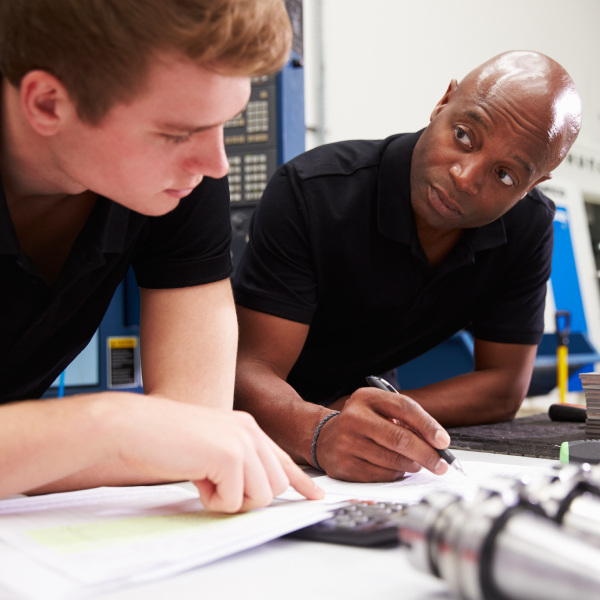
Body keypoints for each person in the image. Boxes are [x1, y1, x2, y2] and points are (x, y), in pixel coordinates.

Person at [0, 0, 324, 511]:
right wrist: (108, 425)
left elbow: (195, 422)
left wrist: (40, 446)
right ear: (46, 104)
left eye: (224, 124)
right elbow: (166, 437)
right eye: (177, 132)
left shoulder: (184, 181)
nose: (215, 165)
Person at [233, 50, 582, 483]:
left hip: (361, 431)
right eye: (464, 135)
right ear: (443, 101)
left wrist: (381, 416)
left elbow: (503, 386)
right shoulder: (312, 194)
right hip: (261, 434)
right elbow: (248, 371)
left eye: (506, 176)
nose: (466, 176)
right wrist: (321, 428)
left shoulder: (528, 226)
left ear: (534, 183)